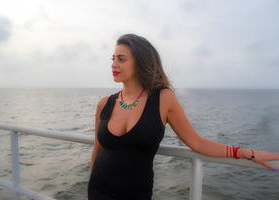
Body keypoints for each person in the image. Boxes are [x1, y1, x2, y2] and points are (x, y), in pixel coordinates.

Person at [87, 34, 279, 200]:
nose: (114, 64)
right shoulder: (105, 104)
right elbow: (97, 150)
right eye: (113, 58)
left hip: (136, 194)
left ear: (141, 61)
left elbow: (197, 143)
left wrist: (247, 153)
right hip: (97, 190)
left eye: (121, 59)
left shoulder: (163, 99)